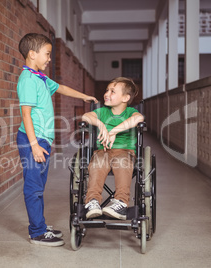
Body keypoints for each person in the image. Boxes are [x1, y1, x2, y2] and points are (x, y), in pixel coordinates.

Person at [16, 33, 97, 246]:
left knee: (39, 185)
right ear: (32, 54)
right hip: (32, 140)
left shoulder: (40, 78)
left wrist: (83, 96)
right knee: (33, 187)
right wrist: (34, 145)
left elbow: (60, 88)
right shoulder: (27, 80)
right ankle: (37, 233)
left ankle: (39, 225)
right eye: (47, 54)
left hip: (42, 140)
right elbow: (26, 114)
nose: (50, 59)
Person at [82, 77, 144, 220]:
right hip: (102, 151)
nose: (107, 94)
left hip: (124, 152)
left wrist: (113, 131)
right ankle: (92, 202)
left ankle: (121, 202)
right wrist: (101, 125)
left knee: (122, 164)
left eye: (112, 91)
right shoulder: (103, 112)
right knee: (97, 164)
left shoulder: (130, 112)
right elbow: (86, 116)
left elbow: (139, 118)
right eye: (107, 90)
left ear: (125, 97)